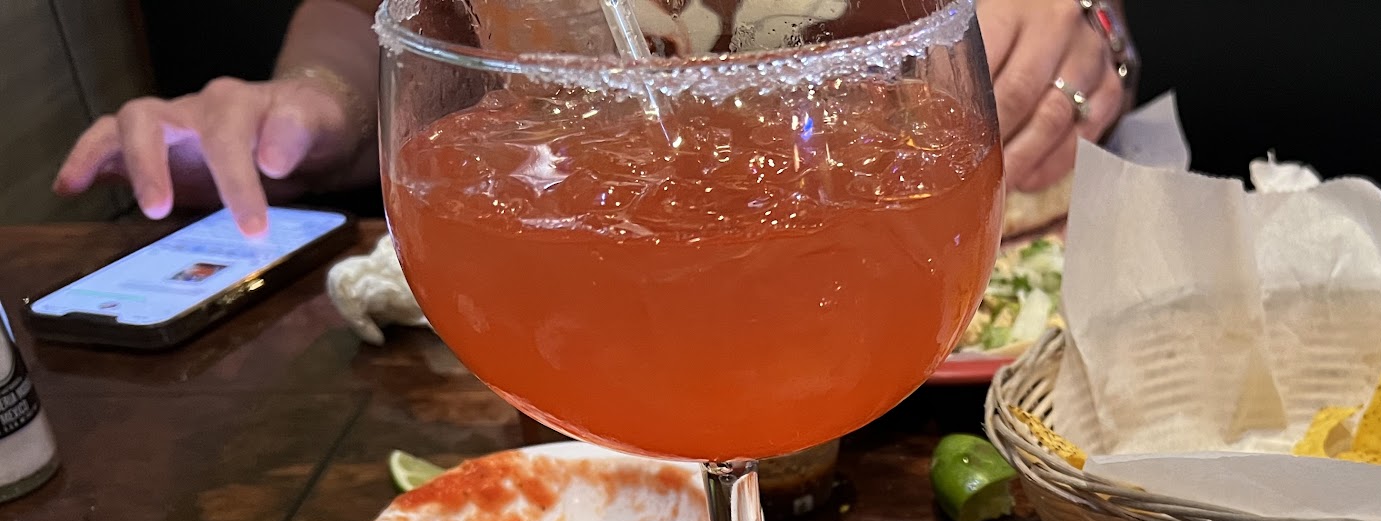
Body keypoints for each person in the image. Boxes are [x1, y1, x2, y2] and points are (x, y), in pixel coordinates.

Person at [55, 0, 1134, 236]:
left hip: (937, 357)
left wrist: (1083, 34)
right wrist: (316, 106)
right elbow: (357, 22)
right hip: (579, 366)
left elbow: (1091, 30)